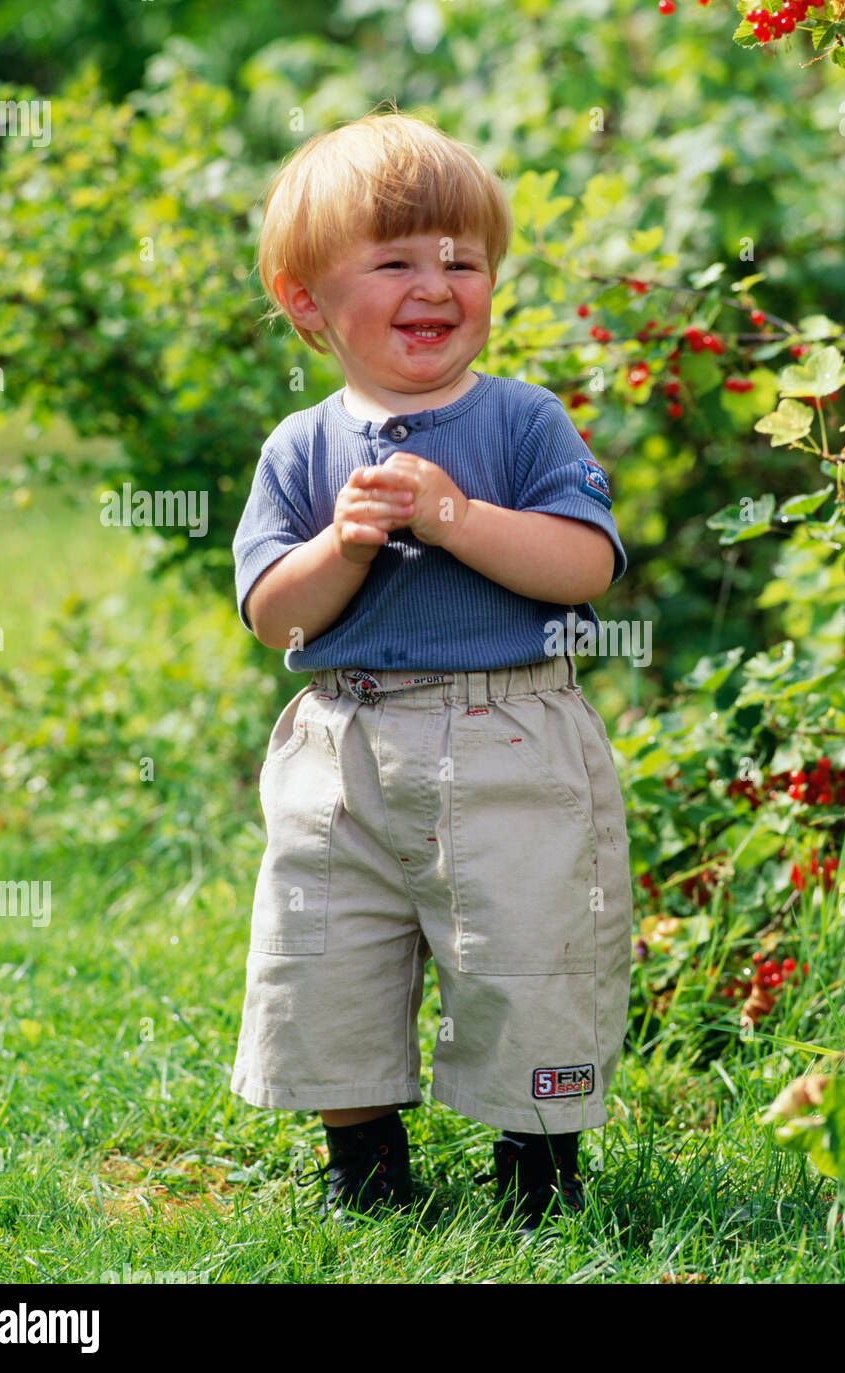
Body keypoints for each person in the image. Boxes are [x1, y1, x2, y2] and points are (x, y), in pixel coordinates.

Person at [228, 105, 633, 1232]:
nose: (435, 284)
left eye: (462, 260)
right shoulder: (301, 448)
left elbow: (583, 565)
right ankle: (362, 1161)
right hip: (342, 749)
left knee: (531, 951)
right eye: (395, 260)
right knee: (327, 954)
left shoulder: (522, 421)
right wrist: (340, 546)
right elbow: (273, 612)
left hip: (509, 738)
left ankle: (536, 1167)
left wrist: (458, 518)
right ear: (307, 300)